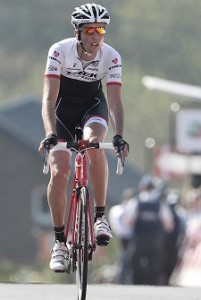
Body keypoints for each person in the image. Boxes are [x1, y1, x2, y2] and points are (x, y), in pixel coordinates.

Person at [38, 3, 129, 272]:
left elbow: (114, 102)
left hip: (92, 107)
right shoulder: (59, 50)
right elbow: (49, 98)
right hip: (62, 111)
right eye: (90, 30)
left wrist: (120, 135)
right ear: (77, 31)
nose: (96, 36)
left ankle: (100, 217)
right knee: (60, 171)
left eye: (100, 30)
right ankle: (59, 243)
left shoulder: (111, 56)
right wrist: (50, 134)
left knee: (92, 144)